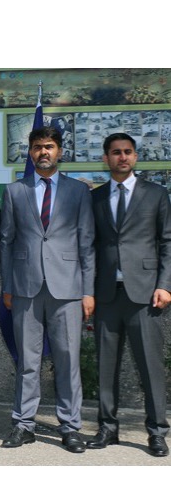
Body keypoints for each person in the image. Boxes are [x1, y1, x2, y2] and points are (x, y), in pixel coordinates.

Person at [0, 126, 95, 453]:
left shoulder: (78, 191)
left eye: (50, 146)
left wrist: (88, 290)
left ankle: (70, 427)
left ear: (60, 152)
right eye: (38, 147)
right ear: (29, 151)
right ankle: (23, 424)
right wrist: (8, 286)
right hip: (25, 287)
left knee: (68, 360)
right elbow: (7, 241)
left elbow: (87, 243)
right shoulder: (14, 191)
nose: (44, 152)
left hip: (68, 287)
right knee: (28, 360)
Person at [87, 133, 171, 457]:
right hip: (107, 294)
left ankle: (157, 432)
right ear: (106, 158)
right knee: (106, 367)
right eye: (116, 153)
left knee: (150, 367)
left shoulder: (156, 194)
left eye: (128, 152)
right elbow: (89, 246)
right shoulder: (94, 199)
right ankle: (107, 428)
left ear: (135, 157)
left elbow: (167, 242)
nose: (122, 157)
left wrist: (165, 284)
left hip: (145, 294)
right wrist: (86, 292)